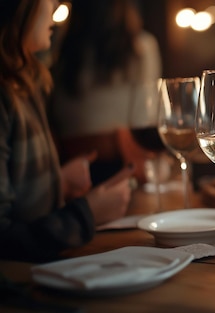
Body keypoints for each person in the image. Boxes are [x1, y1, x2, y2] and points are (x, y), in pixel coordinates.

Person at [0, 0, 134, 262]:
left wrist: (54, 184)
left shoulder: (25, 82)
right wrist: (87, 215)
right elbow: (4, 241)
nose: (55, 4)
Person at [48, 0, 162, 185]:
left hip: (70, 177)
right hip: (122, 175)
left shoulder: (62, 53)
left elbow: (60, 124)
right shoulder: (141, 47)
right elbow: (145, 118)